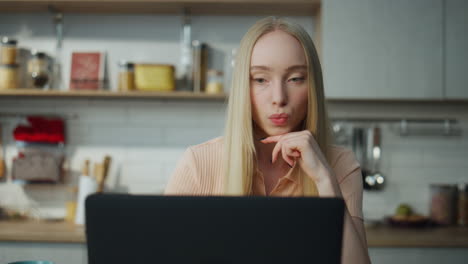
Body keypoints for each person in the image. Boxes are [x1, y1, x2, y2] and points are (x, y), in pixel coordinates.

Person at [165, 16, 371, 264]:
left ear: (312, 85)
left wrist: (325, 180)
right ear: (244, 87)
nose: (279, 98)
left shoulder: (340, 163)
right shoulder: (199, 163)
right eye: (260, 79)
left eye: (295, 78)